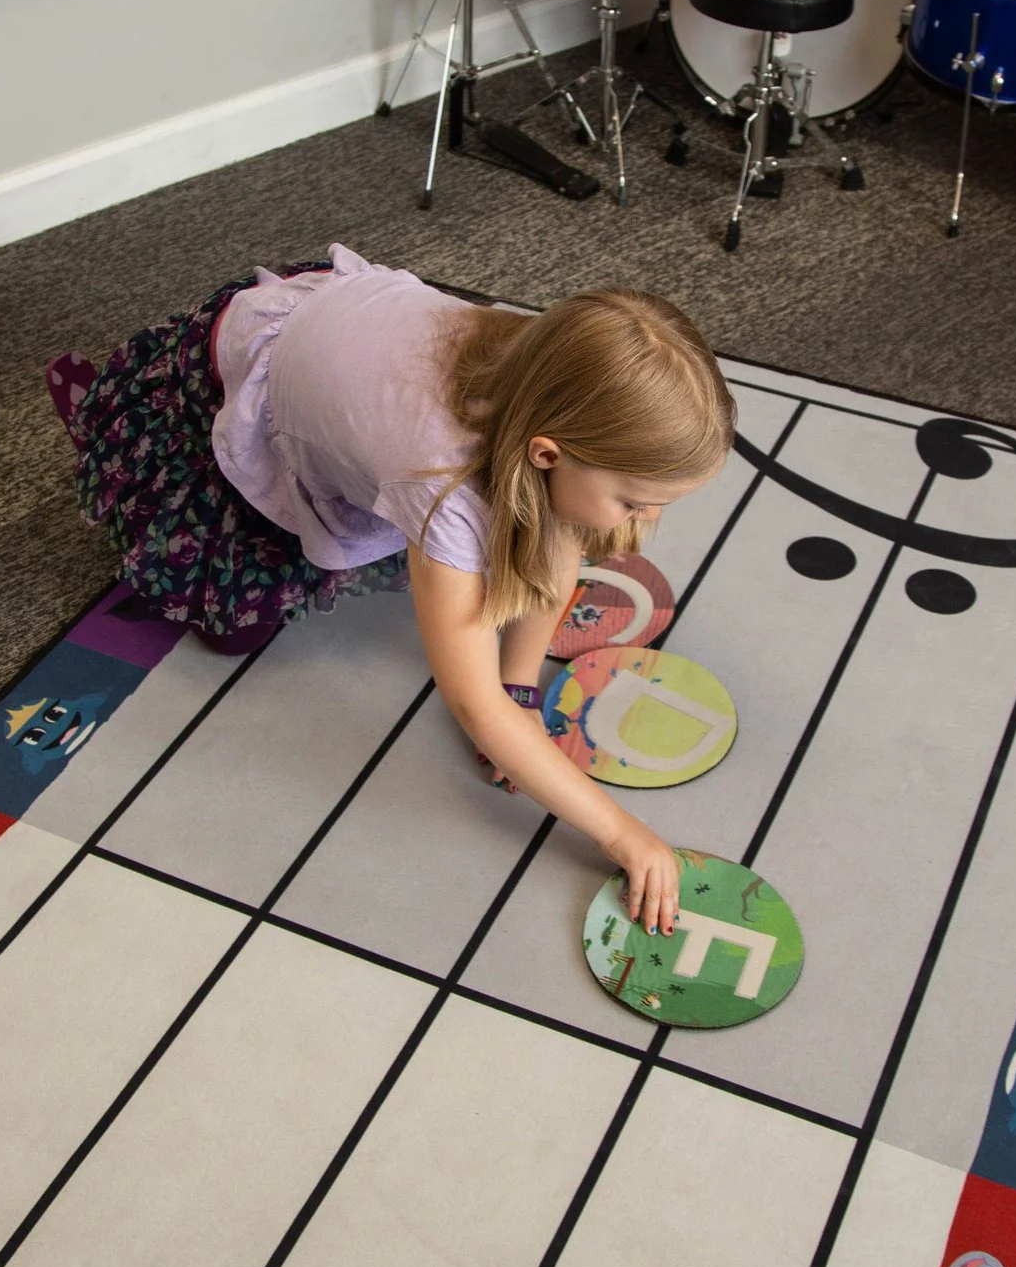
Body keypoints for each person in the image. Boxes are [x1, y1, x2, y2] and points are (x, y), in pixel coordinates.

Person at [47, 246, 734, 935]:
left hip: (348, 351)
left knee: (497, 535)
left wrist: (523, 689)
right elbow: (472, 701)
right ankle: (107, 421)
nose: (651, 522)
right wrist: (621, 834)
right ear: (547, 455)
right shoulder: (442, 484)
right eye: (637, 503)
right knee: (234, 627)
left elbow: (553, 549)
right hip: (234, 377)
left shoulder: (557, 381)